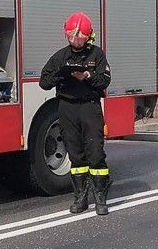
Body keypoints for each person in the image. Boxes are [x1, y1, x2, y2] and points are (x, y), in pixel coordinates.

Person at [39, 12, 113, 215]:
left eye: (80, 37)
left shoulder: (96, 55)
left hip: (90, 107)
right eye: (72, 37)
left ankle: (100, 198)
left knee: (95, 153)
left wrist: (87, 75)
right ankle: (80, 198)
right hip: (67, 107)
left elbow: (105, 80)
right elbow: (44, 82)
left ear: (88, 37)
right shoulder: (60, 57)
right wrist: (60, 75)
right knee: (75, 155)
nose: (75, 41)